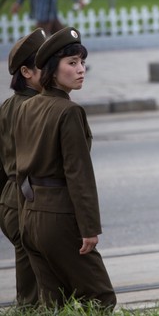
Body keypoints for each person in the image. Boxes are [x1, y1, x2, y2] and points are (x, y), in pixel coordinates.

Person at [14, 27, 116, 309]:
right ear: (50, 69)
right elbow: (78, 174)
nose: (81, 69)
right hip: (60, 219)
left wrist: (25, 219)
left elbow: (19, 168)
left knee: (54, 303)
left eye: (82, 62)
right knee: (101, 297)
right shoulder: (69, 112)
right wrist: (89, 228)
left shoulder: (27, 106)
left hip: (31, 218)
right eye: (72, 63)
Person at [0, 28, 47, 307]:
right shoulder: (35, 108)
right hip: (25, 203)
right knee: (33, 298)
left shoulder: (8, 106)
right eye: (45, 64)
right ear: (27, 72)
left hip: (9, 201)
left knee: (33, 288)